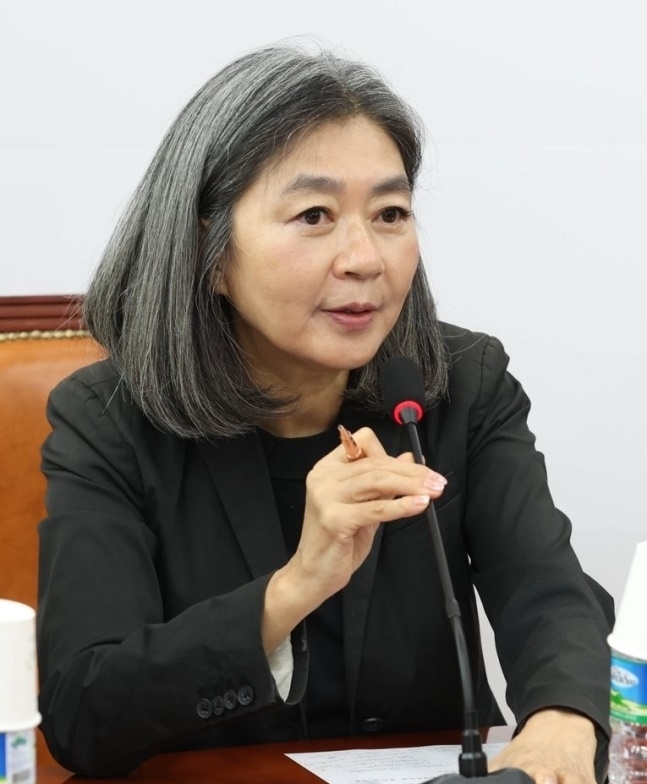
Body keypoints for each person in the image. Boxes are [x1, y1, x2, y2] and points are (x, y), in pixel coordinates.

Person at [37, 42, 613, 781]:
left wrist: (563, 722)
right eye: (314, 215)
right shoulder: (108, 420)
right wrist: (296, 586)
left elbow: (548, 594)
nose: (364, 257)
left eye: (390, 213)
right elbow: (85, 713)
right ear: (208, 252)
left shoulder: (461, 384)